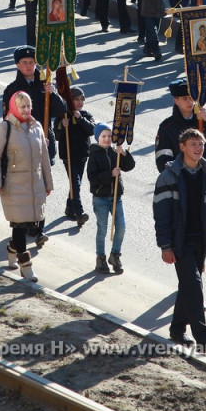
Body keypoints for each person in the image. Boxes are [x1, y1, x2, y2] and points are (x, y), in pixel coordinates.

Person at [153, 128, 206, 350]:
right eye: (193, 144)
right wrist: (165, 246)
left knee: (188, 285)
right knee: (194, 284)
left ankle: (177, 329)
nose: (198, 148)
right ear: (182, 147)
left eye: (201, 144)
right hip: (179, 242)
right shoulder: (168, 177)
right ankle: (204, 338)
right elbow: (162, 215)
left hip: (201, 242)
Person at [0, 91, 53, 282]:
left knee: (28, 224)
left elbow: (44, 159)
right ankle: (26, 266)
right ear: (14, 107)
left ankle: (11, 249)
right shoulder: (3, 128)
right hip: (13, 186)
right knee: (19, 224)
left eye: (28, 106)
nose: (26, 110)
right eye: (22, 106)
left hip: (34, 184)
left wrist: (48, 183)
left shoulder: (36, 127)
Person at [3, 45, 67, 181]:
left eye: (31, 62)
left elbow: (61, 110)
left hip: (45, 139)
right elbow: (8, 120)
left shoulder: (45, 84)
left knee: (42, 184)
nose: (28, 65)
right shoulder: (12, 90)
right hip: (23, 143)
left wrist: (52, 94)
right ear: (17, 65)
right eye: (24, 62)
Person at [87, 123, 134, 275]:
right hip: (100, 198)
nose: (107, 139)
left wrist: (124, 154)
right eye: (104, 136)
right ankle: (100, 258)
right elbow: (92, 178)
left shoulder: (115, 152)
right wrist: (110, 174)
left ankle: (115, 255)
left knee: (121, 227)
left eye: (109, 136)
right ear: (97, 138)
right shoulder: (94, 155)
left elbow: (129, 166)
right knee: (102, 229)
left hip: (116, 197)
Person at [153, 78, 206, 173]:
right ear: (176, 100)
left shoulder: (203, 121)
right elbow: (162, 161)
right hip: (179, 180)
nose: (189, 102)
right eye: (185, 98)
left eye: (191, 98)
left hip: (203, 177)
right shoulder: (167, 127)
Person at [57, 86, 95, 226]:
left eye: (81, 99)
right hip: (68, 155)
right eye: (76, 99)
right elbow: (56, 134)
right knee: (76, 183)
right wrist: (62, 125)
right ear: (70, 100)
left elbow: (92, 130)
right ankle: (79, 213)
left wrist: (80, 119)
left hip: (83, 155)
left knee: (75, 183)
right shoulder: (63, 115)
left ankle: (69, 207)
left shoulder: (85, 115)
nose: (79, 102)